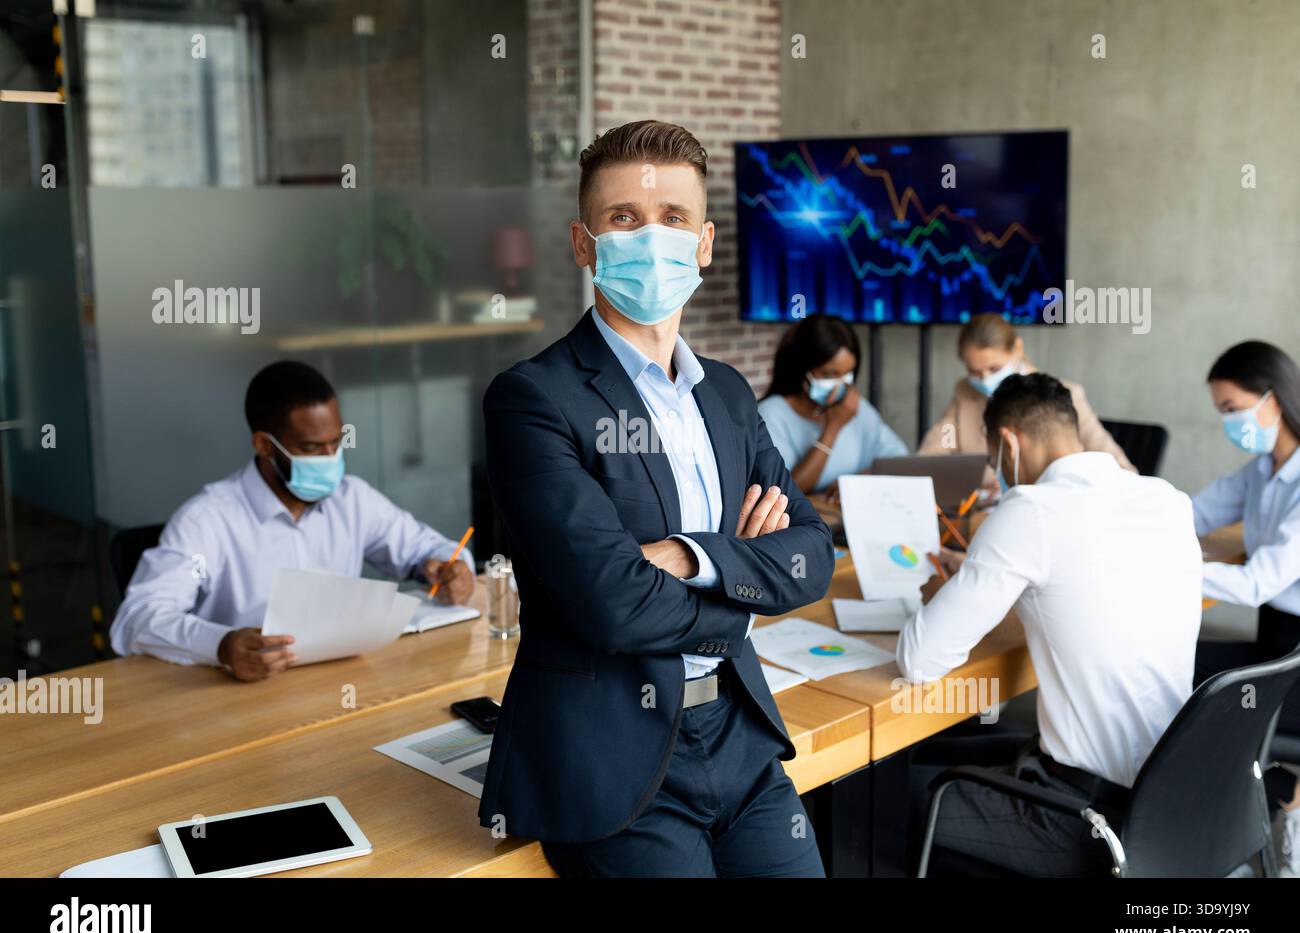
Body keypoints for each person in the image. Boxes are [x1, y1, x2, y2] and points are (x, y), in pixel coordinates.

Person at [479, 119, 835, 877]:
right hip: (612, 761)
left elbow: (811, 554)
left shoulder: (728, 393)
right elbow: (613, 602)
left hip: (741, 738)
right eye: (624, 217)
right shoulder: (532, 399)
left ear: (703, 244)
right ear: (583, 244)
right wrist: (743, 582)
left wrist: (687, 557)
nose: (651, 238)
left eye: (673, 218)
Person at [898, 372, 1202, 876]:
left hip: (1085, 820)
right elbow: (1092, 583)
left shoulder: (1031, 511)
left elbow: (920, 661)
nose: (999, 473)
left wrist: (937, 598)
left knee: (879, 801)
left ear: (1010, 442)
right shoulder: (1166, 498)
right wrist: (981, 575)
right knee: (943, 755)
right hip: (1167, 800)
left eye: (995, 459)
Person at [110, 360, 475, 681]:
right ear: (264, 445)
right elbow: (138, 619)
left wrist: (451, 568)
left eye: (336, 442)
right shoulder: (208, 520)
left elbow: (431, 549)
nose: (330, 458)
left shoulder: (351, 499)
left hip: (339, 686)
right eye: (311, 448)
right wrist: (221, 645)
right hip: (239, 699)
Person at [1190, 340, 1300, 875]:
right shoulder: (1262, 469)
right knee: (1178, 667)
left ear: (1271, 401)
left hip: (1292, 665)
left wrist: (1171, 567)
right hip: (1275, 644)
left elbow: (1259, 583)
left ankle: (1236, 825)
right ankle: (1220, 822)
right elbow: (1194, 512)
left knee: (1196, 690)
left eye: (1232, 409)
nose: (1228, 423)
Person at [918, 312, 1134, 485]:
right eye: (974, 371)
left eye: (995, 369)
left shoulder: (1061, 397)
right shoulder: (965, 395)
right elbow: (939, 448)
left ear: (1017, 349)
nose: (984, 379)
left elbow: (1120, 467)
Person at [757, 314, 908, 497]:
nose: (840, 384)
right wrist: (833, 428)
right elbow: (782, 492)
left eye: (848, 373)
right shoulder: (771, 415)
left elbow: (899, 460)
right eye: (829, 375)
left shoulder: (855, 407)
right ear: (802, 369)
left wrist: (860, 481)